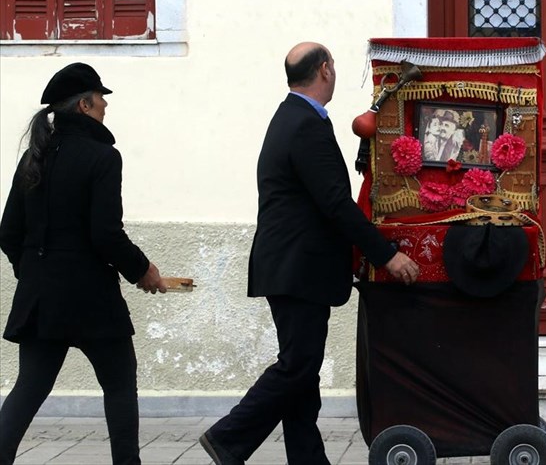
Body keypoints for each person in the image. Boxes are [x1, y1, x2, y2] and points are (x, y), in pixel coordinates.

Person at [199, 42, 420, 465]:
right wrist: (385, 254)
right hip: (297, 268)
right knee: (298, 367)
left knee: (302, 374)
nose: (334, 71)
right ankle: (228, 438)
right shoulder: (304, 124)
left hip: (293, 267)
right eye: (334, 65)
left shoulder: (296, 118)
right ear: (324, 70)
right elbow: (336, 204)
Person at [0, 63, 168, 465]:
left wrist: (36, 274)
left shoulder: (34, 157)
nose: (106, 105)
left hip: (41, 298)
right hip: (91, 298)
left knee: (29, 389)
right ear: (85, 104)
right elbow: (106, 234)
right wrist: (143, 270)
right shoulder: (102, 157)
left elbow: (8, 232)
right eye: (101, 98)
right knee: (119, 386)